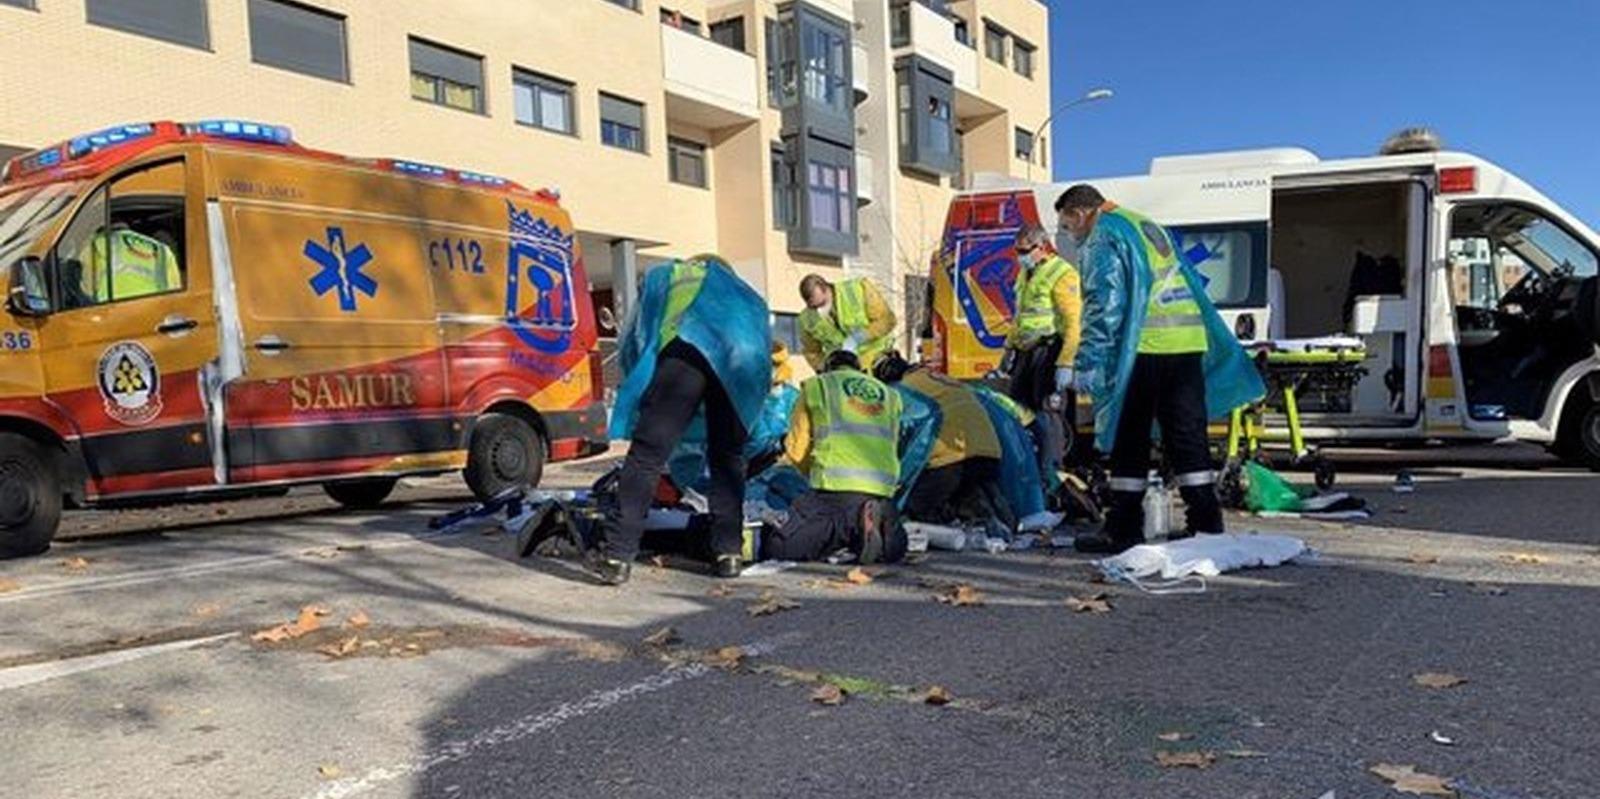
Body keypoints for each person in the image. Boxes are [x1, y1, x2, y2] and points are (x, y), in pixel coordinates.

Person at [1056, 184, 1264, 554]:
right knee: (1186, 437)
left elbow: (1106, 302)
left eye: (1069, 227)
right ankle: (1206, 523)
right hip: (1187, 345)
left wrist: (1087, 360)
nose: (1071, 235)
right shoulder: (1145, 224)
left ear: (1081, 213)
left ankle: (1123, 528)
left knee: (1128, 438)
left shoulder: (1105, 235)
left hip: (1145, 349)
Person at [594, 255, 771, 584]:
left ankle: (618, 555)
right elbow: (763, 361)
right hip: (741, 366)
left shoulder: (669, 274)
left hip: (686, 353)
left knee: (647, 456)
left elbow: (636, 335)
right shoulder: (747, 295)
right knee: (728, 458)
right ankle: (728, 553)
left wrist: (641, 390)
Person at [762, 350, 906, 564]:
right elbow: (893, 445)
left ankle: (855, 526)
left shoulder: (818, 386)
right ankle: (878, 531)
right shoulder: (890, 395)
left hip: (834, 492)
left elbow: (795, 450)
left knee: (779, 546)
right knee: (854, 530)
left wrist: (810, 473)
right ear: (858, 369)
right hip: (881, 491)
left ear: (827, 368)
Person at [874, 352, 1011, 528]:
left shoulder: (903, 388)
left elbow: (907, 427)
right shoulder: (937, 378)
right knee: (963, 494)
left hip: (948, 461)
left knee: (915, 509)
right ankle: (975, 511)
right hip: (990, 453)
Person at [1004, 224, 1082, 476]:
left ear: (1042, 247)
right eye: (1017, 250)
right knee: (1017, 411)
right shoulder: (1025, 274)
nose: (1020, 255)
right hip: (1026, 353)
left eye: (1024, 250)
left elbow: (1073, 322)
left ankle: (1052, 473)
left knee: (1048, 414)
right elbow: (1020, 317)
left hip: (1048, 352)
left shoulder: (1061, 273)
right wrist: (1008, 349)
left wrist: (1066, 362)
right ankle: (1027, 470)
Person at [797, 274, 897, 372]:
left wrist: (859, 337)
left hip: (878, 361)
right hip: (844, 371)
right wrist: (824, 366)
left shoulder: (859, 289)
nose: (820, 310)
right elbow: (812, 352)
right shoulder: (807, 319)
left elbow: (887, 320)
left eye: (822, 304)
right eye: (814, 307)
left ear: (826, 289)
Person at [72, 224, 182, 307]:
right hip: (153, 318)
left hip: (111, 318)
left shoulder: (95, 246)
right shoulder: (163, 250)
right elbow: (175, 293)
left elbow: (85, 291)